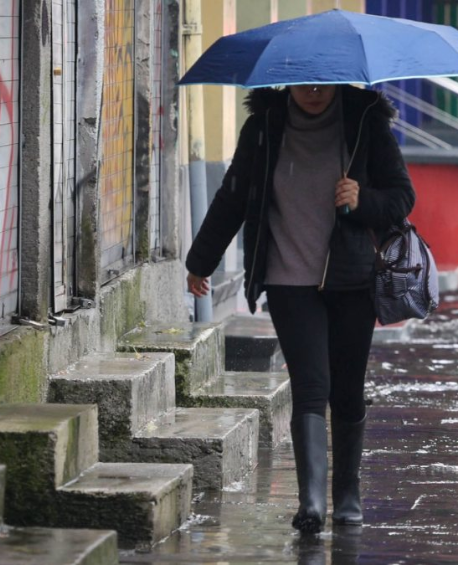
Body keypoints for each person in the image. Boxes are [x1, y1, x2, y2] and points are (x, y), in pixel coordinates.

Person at [185, 84, 415, 534]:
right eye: (303, 83)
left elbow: (402, 196)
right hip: (288, 279)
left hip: (352, 279)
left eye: (321, 83)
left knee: (346, 389)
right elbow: (234, 196)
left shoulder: (366, 122)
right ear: (287, 83)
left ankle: (347, 495)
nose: (312, 92)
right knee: (311, 384)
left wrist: (361, 199)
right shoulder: (265, 126)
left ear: (337, 82)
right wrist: (201, 260)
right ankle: (311, 503)